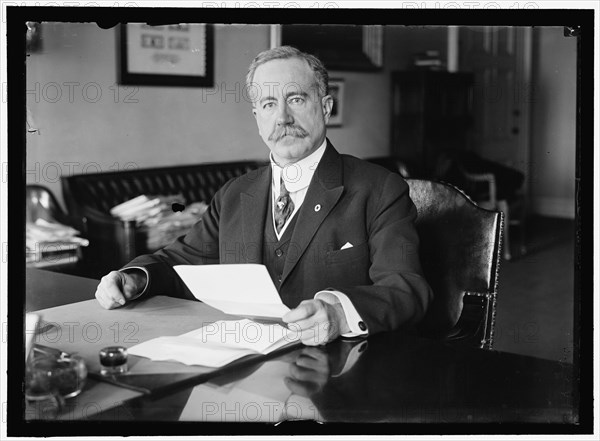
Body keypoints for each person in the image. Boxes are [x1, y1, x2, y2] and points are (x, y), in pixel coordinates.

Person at [95, 46, 433, 346]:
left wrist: (339, 314)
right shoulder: (234, 194)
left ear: (326, 107)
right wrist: (134, 278)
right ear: (257, 118)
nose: (283, 118)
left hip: (337, 374)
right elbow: (177, 263)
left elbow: (407, 289)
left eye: (296, 99)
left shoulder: (379, 188)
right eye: (269, 104)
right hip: (245, 373)